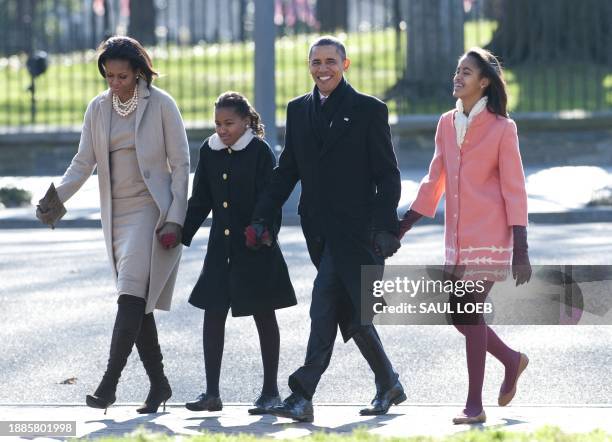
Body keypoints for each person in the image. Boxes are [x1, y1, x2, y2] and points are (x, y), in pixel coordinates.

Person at [248, 36, 404, 423]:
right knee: (352, 315)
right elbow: (288, 170)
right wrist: (262, 215)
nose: (323, 69)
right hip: (319, 232)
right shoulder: (298, 110)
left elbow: (388, 173)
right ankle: (389, 383)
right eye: (316, 62)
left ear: (345, 65)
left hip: (359, 233)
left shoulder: (369, 110)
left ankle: (302, 394)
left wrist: (387, 227)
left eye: (331, 61)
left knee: (323, 303)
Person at [36, 36, 190, 414]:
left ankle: (109, 384)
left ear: (139, 72)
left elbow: (182, 165)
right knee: (138, 302)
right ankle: (159, 384)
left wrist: (175, 218)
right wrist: (54, 201)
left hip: (150, 212)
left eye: (122, 75)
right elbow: (82, 163)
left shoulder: (162, 105)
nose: (115, 83)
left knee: (129, 297)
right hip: (115, 216)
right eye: (109, 76)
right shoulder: (98, 108)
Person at [400, 47, 532, 424]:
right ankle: (512, 359)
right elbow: (434, 177)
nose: (458, 77)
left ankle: (474, 405)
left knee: (469, 313)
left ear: (484, 81)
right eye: (457, 71)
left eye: (467, 72)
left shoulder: (503, 128)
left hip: (491, 235)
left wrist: (520, 247)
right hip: (456, 240)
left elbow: (515, 188)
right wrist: (405, 223)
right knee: (458, 316)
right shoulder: (446, 122)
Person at [181, 92, 297, 415]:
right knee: (212, 313)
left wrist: (262, 228)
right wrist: (181, 233)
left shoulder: (260, 151)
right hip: (221, 248)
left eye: (229, 123)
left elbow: (271, 197)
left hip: (255, 247)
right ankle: (212, 394)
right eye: (217, 124)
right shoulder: (210, 150)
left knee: (264, 314)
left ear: (246, 121)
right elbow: (201, 198)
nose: (222, 130)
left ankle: (270, 392)